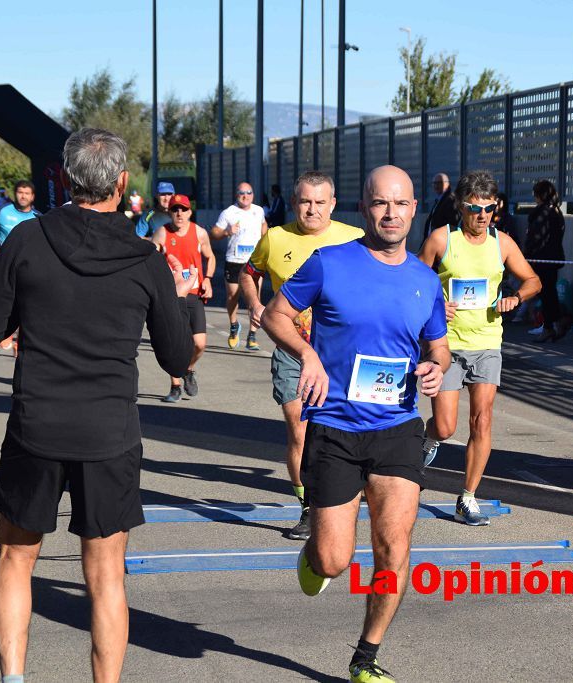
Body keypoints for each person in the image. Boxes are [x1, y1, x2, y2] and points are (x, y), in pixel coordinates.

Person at [0, 127, 196, 683]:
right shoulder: (147, 259)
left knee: (16, 560)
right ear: (122, 183)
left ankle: (14, 678)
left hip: (36, 426)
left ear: (68, 180)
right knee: (106, 575)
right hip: (108, 433)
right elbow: (176, 359)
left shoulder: (26, 239)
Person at [262, 164, 449, 683]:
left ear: (414, 209)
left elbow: (439, 342)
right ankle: (316, 552)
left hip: (398, 426)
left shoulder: (423, 279)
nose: (391, 213)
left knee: (394, 547)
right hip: (336, 427)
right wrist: (308, 355)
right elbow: (276, 314)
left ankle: (365, 659)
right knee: (333, 561)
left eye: (402, 203)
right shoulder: (329, 263)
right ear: (364, 208)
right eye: (380, 203)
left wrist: (437, 365)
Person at [239, 170, 363, 541]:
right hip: (293, 350)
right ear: (294, 203)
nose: (312, 209)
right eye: (305, 202)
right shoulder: (275, 238)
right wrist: (255, 303)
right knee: (299, 431)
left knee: (348, 431)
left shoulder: (354, 238)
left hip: (341, 353)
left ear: (333, 204)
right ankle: (308, 508)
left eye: (320, 202)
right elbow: (249, 272)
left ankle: (343, 499)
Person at [417, 170, 541, 526]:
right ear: (459, 206)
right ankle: (429, 439)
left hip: (487, 343)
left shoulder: (502, 243)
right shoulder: (441, 240)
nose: (482, 215)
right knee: (445, 426)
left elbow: (533, 280)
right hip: (446, 345)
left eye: (489, 207)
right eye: (475, 207)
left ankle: (467, 497)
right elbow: (412, 282)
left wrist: (516, 297)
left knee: (482, 420)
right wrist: (435, 305)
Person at [152, 194, 215, 402]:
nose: (179, 213)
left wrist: (207, 279)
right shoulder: (163, 232)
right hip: (172, 295)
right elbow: (152, 256)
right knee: (176, 342)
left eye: (183, 209)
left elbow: (210, 257)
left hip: (194, 294)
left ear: (190, 212)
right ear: (169, 212)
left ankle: (188, 369)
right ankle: (175, 386)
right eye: (175, 209)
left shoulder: (199, 233)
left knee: (199, 343)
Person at [210, 182, 268, 350]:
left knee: (254, 298)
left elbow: (264, 226)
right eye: (242, 192)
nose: (245, 195)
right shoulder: (228, 213)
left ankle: (252, 335)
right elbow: (213, 233)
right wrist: (227, 231)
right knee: (232, 296)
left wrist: (266, 238)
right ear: (237, 195)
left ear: (253, 195)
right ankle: (234, 325)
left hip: (254, 261)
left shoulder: (259, 211)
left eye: (249, 192)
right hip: (234, 260)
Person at [525, 179, 568, 343]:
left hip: (542, 259)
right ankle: (553, 324)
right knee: (549, 292)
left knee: (546, 294)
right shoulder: (556, 212)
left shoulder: (544, 213)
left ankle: (551, 325)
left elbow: (536, 237)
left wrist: (527, 254)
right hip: (552, 258)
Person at [0, 181, 42, 260]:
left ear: (32, 196)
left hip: (28, 263)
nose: (23, 196)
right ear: (15, 194)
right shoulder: (1, 210)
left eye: (27, 193)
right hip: (4, 261)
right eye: (20, 192)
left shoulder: (39, 217)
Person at [422, 172, 458, 240]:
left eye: (439, 183)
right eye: (435, 183)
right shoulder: (439, 200)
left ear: (447, 183)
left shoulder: (450, 200)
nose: (436, 186)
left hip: (442, 242)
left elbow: (453, 223)